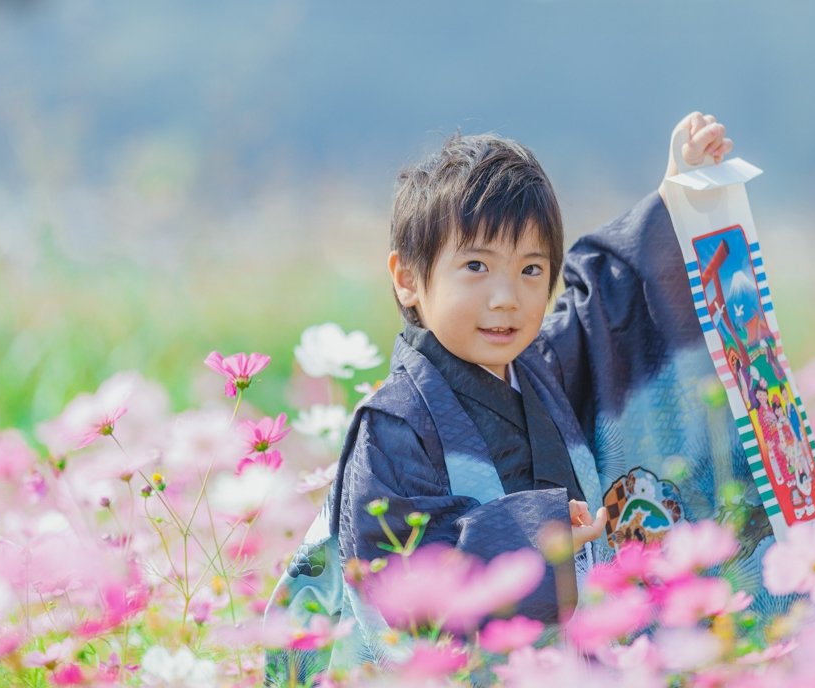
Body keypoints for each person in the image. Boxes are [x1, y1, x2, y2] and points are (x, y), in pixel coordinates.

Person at [268, 112, 786, 679]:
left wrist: (677, 199)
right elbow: (399, 580)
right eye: (475, 266)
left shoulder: (539, 367)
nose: (506, 298)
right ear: (408, 277)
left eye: (531, 269)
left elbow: (609, 302)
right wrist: (542, 535)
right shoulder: (395, 424)